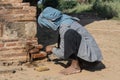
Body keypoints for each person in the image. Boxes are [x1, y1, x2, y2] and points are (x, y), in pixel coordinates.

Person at [38, 7, 103, 75]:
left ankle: (75, 67)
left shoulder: (65, 27)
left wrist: (52, 49)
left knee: (68, 34)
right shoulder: (65, 20)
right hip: (91, 56)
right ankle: (79, 62)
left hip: (92, 60)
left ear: (50, 21)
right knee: (63, 36)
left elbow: (63, 54)